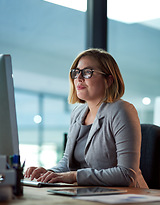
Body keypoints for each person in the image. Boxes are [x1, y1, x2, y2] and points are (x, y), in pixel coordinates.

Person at [25, 48, 148, 188]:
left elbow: (127, 175)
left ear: (108, 80)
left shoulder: (122, 110)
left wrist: (74, 176)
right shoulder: (78, 113)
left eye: (87, 72)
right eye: (76, 72)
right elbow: (67, 162)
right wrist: (49, 173)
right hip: (92, 195)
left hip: (129, 198)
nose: (79, 78)